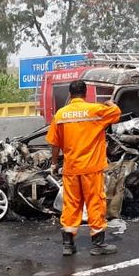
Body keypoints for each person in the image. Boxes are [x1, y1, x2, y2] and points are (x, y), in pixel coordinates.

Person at [46, 80, 121, 256]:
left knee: (71, 204)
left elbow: (54, 143)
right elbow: (116, 112)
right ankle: (98, 244)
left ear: (70, 94)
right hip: (91, 169)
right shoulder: (95, 111)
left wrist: (54, 164)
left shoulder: (60, 115)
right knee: (95, 203)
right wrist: (109, 102)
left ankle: (68, 244)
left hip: (71, 168)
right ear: (85, 94)